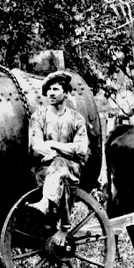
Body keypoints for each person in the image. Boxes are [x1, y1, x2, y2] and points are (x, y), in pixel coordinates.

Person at [26, 72, 90, 230]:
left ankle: (45, 205)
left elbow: (81, 149)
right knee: (58, 163)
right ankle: (57, 224)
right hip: (44, 171)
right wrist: (65, 151)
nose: (50, 93)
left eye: (55, 89)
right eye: (48, 90)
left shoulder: (77, 119)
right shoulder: (38, 117)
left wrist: (54, 145)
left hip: (71, 170)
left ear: (66, 93)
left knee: (60, 163)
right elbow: (36, 147)